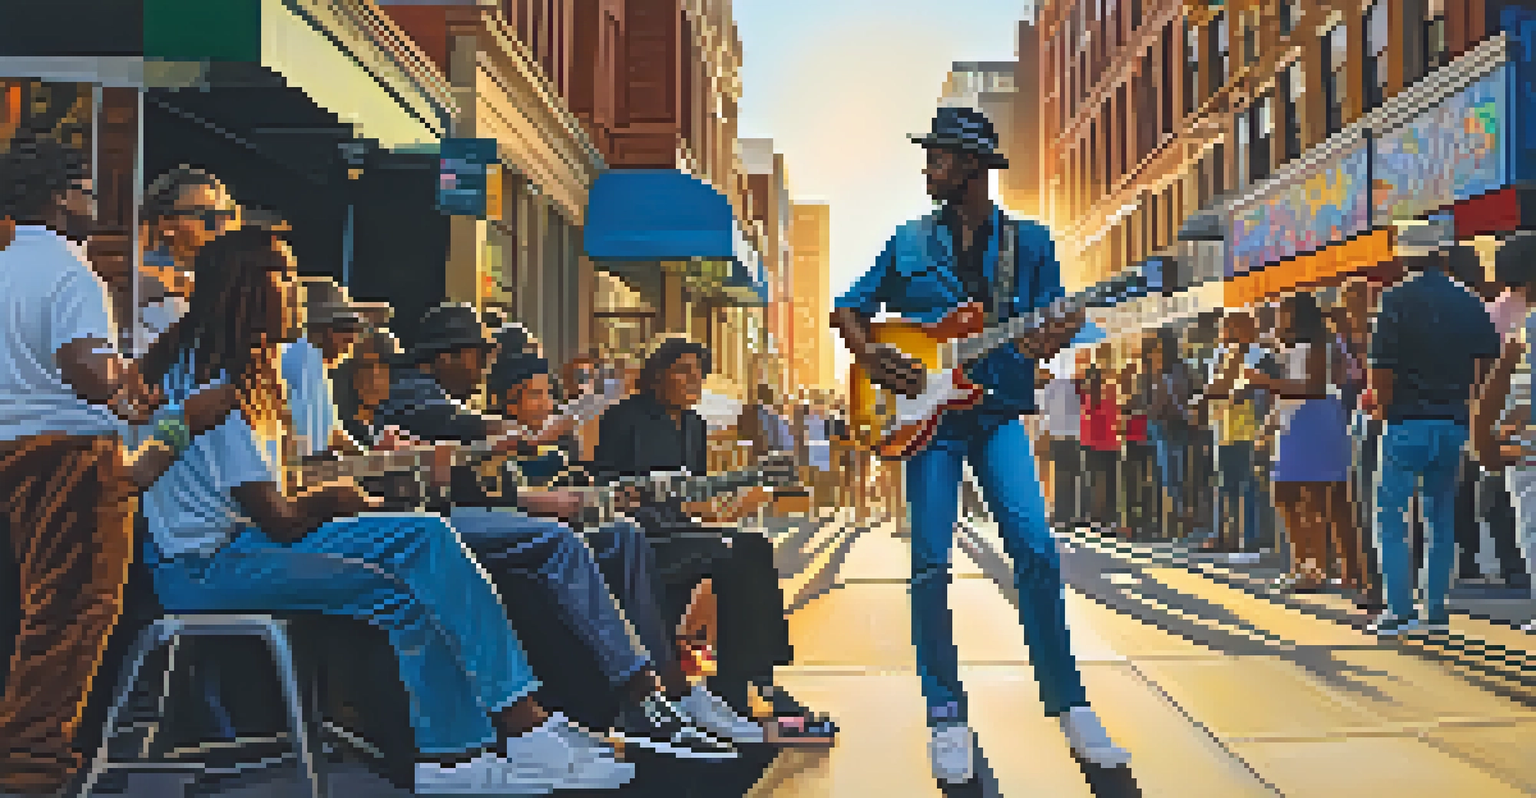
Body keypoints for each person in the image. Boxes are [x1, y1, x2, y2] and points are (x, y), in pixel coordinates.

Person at [134, 227, 635, 793]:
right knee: (420, 550)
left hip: (241, 544)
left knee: (421, 551)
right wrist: (343, 498)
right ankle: (504, 736)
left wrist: (361, 481)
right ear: (248, 290)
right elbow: (280, 516)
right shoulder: (219, 383)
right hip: (210, 566)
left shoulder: (238, 364)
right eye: (287, 277)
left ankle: (464, 756)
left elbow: (281, 488)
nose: (297, 292)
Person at [829, 106, 1129, 784]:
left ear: (969, 166)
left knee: (1035, 547)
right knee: (930, 563)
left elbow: (1059, 318)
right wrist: (872, 355)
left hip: (996, 417)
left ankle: (1070, 702)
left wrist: (1050, 335)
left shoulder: (1030, 243)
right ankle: (945, 710)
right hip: (928, 426)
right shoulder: (906, 240)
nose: (927, 168)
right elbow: (847, 307)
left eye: (937, 157)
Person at [373, 305, 738, 757]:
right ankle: (637, 693)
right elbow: (460, 450)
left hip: (473, 509)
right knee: (562, 541)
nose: (483, 367)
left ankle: (665, 686)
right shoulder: (413, 393)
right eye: (477, 356)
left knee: (621, 536)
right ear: (445, 356)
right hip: (438, 519)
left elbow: (480, 467)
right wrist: (522, 444)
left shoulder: (435, 397)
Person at [0, 136, 246, 798]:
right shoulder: (69, 270)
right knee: (70, 618)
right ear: (57, 197)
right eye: (83, 187)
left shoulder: (5, 265)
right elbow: (85, 369)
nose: (93, 201)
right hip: (73, 467)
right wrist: (132, 387)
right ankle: (33, 771)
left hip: (13, 453)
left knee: (22, 619)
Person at [595, 338, 837, 745]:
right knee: (731, 552)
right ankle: (740, 689)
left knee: (753, 544)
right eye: (683, 370)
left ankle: (752, 679)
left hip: (680, 529)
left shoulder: (695, 425)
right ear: (657, 376)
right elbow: (602, 486)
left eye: (698, 372)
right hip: (638, 539)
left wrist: (739, 502)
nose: (694, 380)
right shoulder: (623, 418)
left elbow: (696, 496)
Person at [1368, 219, 1502, 636]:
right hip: (1454, 421)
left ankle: (1399, 610)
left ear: (1404, 257)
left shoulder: (1394, 301)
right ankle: (1436, 608)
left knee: (1392, 517)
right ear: (1440, 253)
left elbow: (1382, 369)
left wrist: (1382, 410)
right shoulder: (1469, 301)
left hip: (1406, 420)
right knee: (1440, 516)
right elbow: (1488, 364)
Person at [1246, 292, 1365, 593]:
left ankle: (1315, 568)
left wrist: (1266, 383)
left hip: (1313, 421)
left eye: (1284, 310)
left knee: (1315, 498)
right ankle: (1322, 566)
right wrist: (1269, 423)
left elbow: (1312, 387)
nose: (1278, 315)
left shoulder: (1315, 344)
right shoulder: (1295, 345)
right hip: (1298, 422)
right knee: (1302, 495)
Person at [135, 166, 241, 351]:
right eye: (209, 217)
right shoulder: (144, 284)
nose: (222, 226)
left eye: (229, 216)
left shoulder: (241, 276)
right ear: (166, 224)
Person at [282, 277, 390, 458]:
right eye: (350, 331)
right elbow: (315, 449)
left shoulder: (309, 358)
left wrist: (370, 460)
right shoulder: (305, 354)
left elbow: (331, 433)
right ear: (329, 331)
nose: (354, 341)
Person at [1204, 311, 1265, 552]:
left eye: (1229, 328)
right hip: (1223, 428)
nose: (1224, 334)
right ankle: (1223, 535)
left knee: (1248, 485)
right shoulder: (1219, 356)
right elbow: (1214, 389)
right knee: (1224, 485)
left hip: (1250, 427)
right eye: (1223, 329)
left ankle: (1248, 537)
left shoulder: (1257, 355)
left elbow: (1247, 389)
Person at [1040, 359, 1083, 527]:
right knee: (1073, 477)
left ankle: (1062, 516)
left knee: (1061, 477)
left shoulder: (1051, 387)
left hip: (1059, 436)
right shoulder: (1077, 386)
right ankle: (1072, 516)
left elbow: (1045, 410)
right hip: (1074, 436)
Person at [1078, 364, 1120, 530]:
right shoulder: (1107, 393)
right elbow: (1115, 415)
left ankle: (1099, 517)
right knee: (1106, 483)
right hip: (1105, 444)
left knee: (1095, 482)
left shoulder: (1088, 397)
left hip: (1093, 444)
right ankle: (1104, 518)